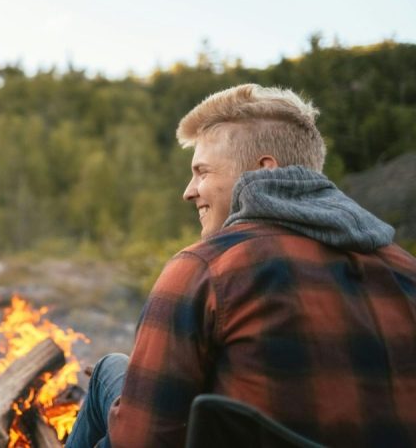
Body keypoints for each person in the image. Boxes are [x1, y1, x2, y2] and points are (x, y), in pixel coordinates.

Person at [67, 84, 416, 447]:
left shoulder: (206, 269)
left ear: (264, 169)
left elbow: (139, 444)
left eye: (202, 172)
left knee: (110, 371)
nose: (188, 191)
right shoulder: (404, 268)